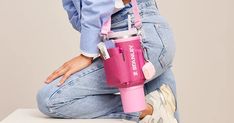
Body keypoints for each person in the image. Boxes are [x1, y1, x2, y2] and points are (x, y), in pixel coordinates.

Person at [36, 0, 180, 122]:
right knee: (166, 113)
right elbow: (77, 14)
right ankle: (155, 107)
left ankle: (149, 109)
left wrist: (87, 53)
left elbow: (94, 7)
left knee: (50, 99)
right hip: (143, 36)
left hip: (138, 36)